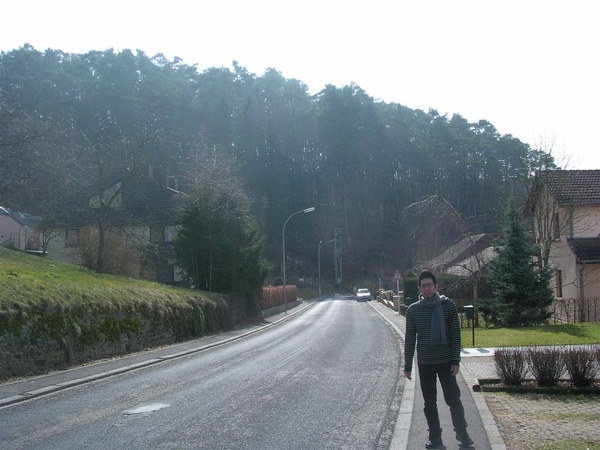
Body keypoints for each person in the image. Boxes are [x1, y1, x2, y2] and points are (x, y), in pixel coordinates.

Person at [404, 270, 473, 449]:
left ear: (436, 286)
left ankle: (463, 435)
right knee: (429, 403)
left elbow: (455, 334)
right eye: (423, 286)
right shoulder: (413, 310)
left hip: (445, 362)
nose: (427, 289)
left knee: (454, 399)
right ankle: (435, 437)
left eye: (430, 285)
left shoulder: (447, 306)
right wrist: (407, 365)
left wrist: (455, 360)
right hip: (425, 363)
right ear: (419, 288)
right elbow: (410, 338)